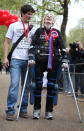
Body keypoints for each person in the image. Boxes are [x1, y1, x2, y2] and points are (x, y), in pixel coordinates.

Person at [28, 13, 67, 120]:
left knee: (51, 86)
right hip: (39, 61)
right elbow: (32, 45)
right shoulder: (38, 31)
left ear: (53, 21)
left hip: (53, 62)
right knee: (38, 86)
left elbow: (63, 47)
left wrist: (64, 59)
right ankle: (36, 110)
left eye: (51, 18)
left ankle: (49, 111)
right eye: (46, 17)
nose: (48, 18)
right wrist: (31, 57)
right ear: (44, 20)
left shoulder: (57, 32)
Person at [3, 4, 36, 121]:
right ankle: (10, 110)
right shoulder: (13, 26)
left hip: (29, 61)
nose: (30, 16)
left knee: (26, 86)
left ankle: (23, 109)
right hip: (16, 60)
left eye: (31, 14)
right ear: (22, 13)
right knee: (14, 85)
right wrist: (5, 58)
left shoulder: (33, 28)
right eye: (28, 14)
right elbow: (7, 42)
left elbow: (35, 44)